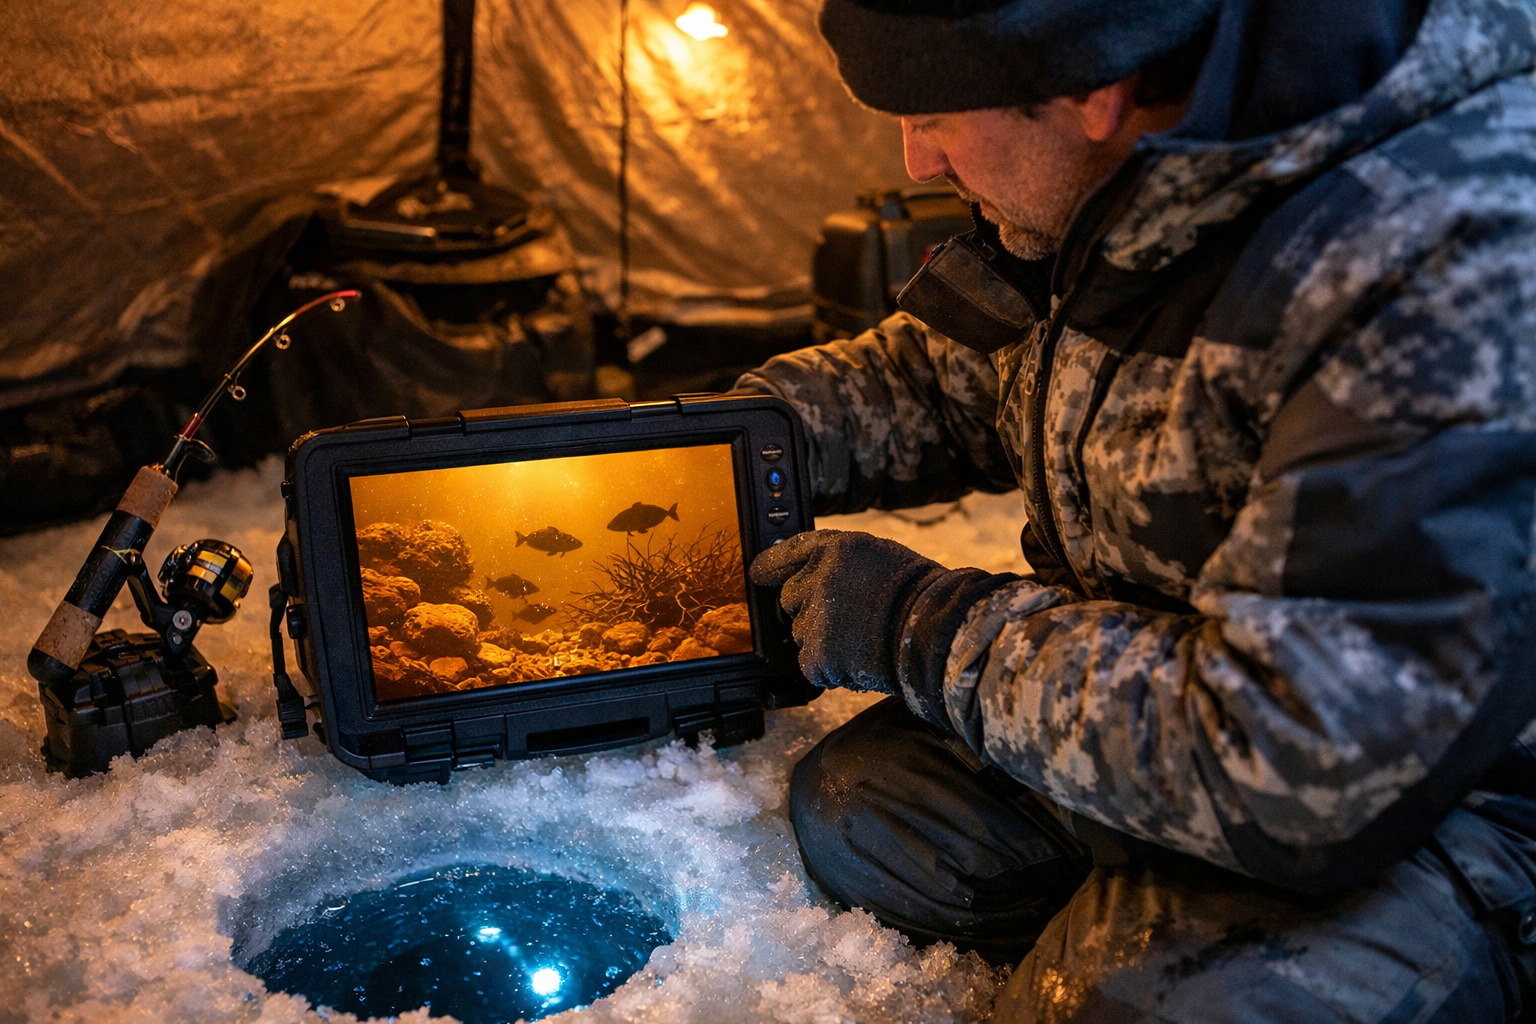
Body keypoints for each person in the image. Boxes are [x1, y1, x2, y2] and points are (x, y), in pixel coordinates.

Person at [735, 0, 1536, 1019]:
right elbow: (950, 381)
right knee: (867, 813)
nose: (917, 161)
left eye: (933, 115)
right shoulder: (1118, 177)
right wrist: (729, 439)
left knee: (1119, 1001)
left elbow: (1298, 756)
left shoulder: (1445, 253)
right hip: (1185, 687)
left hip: (1444, 808)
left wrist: (917, 626)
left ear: (1092, 91)